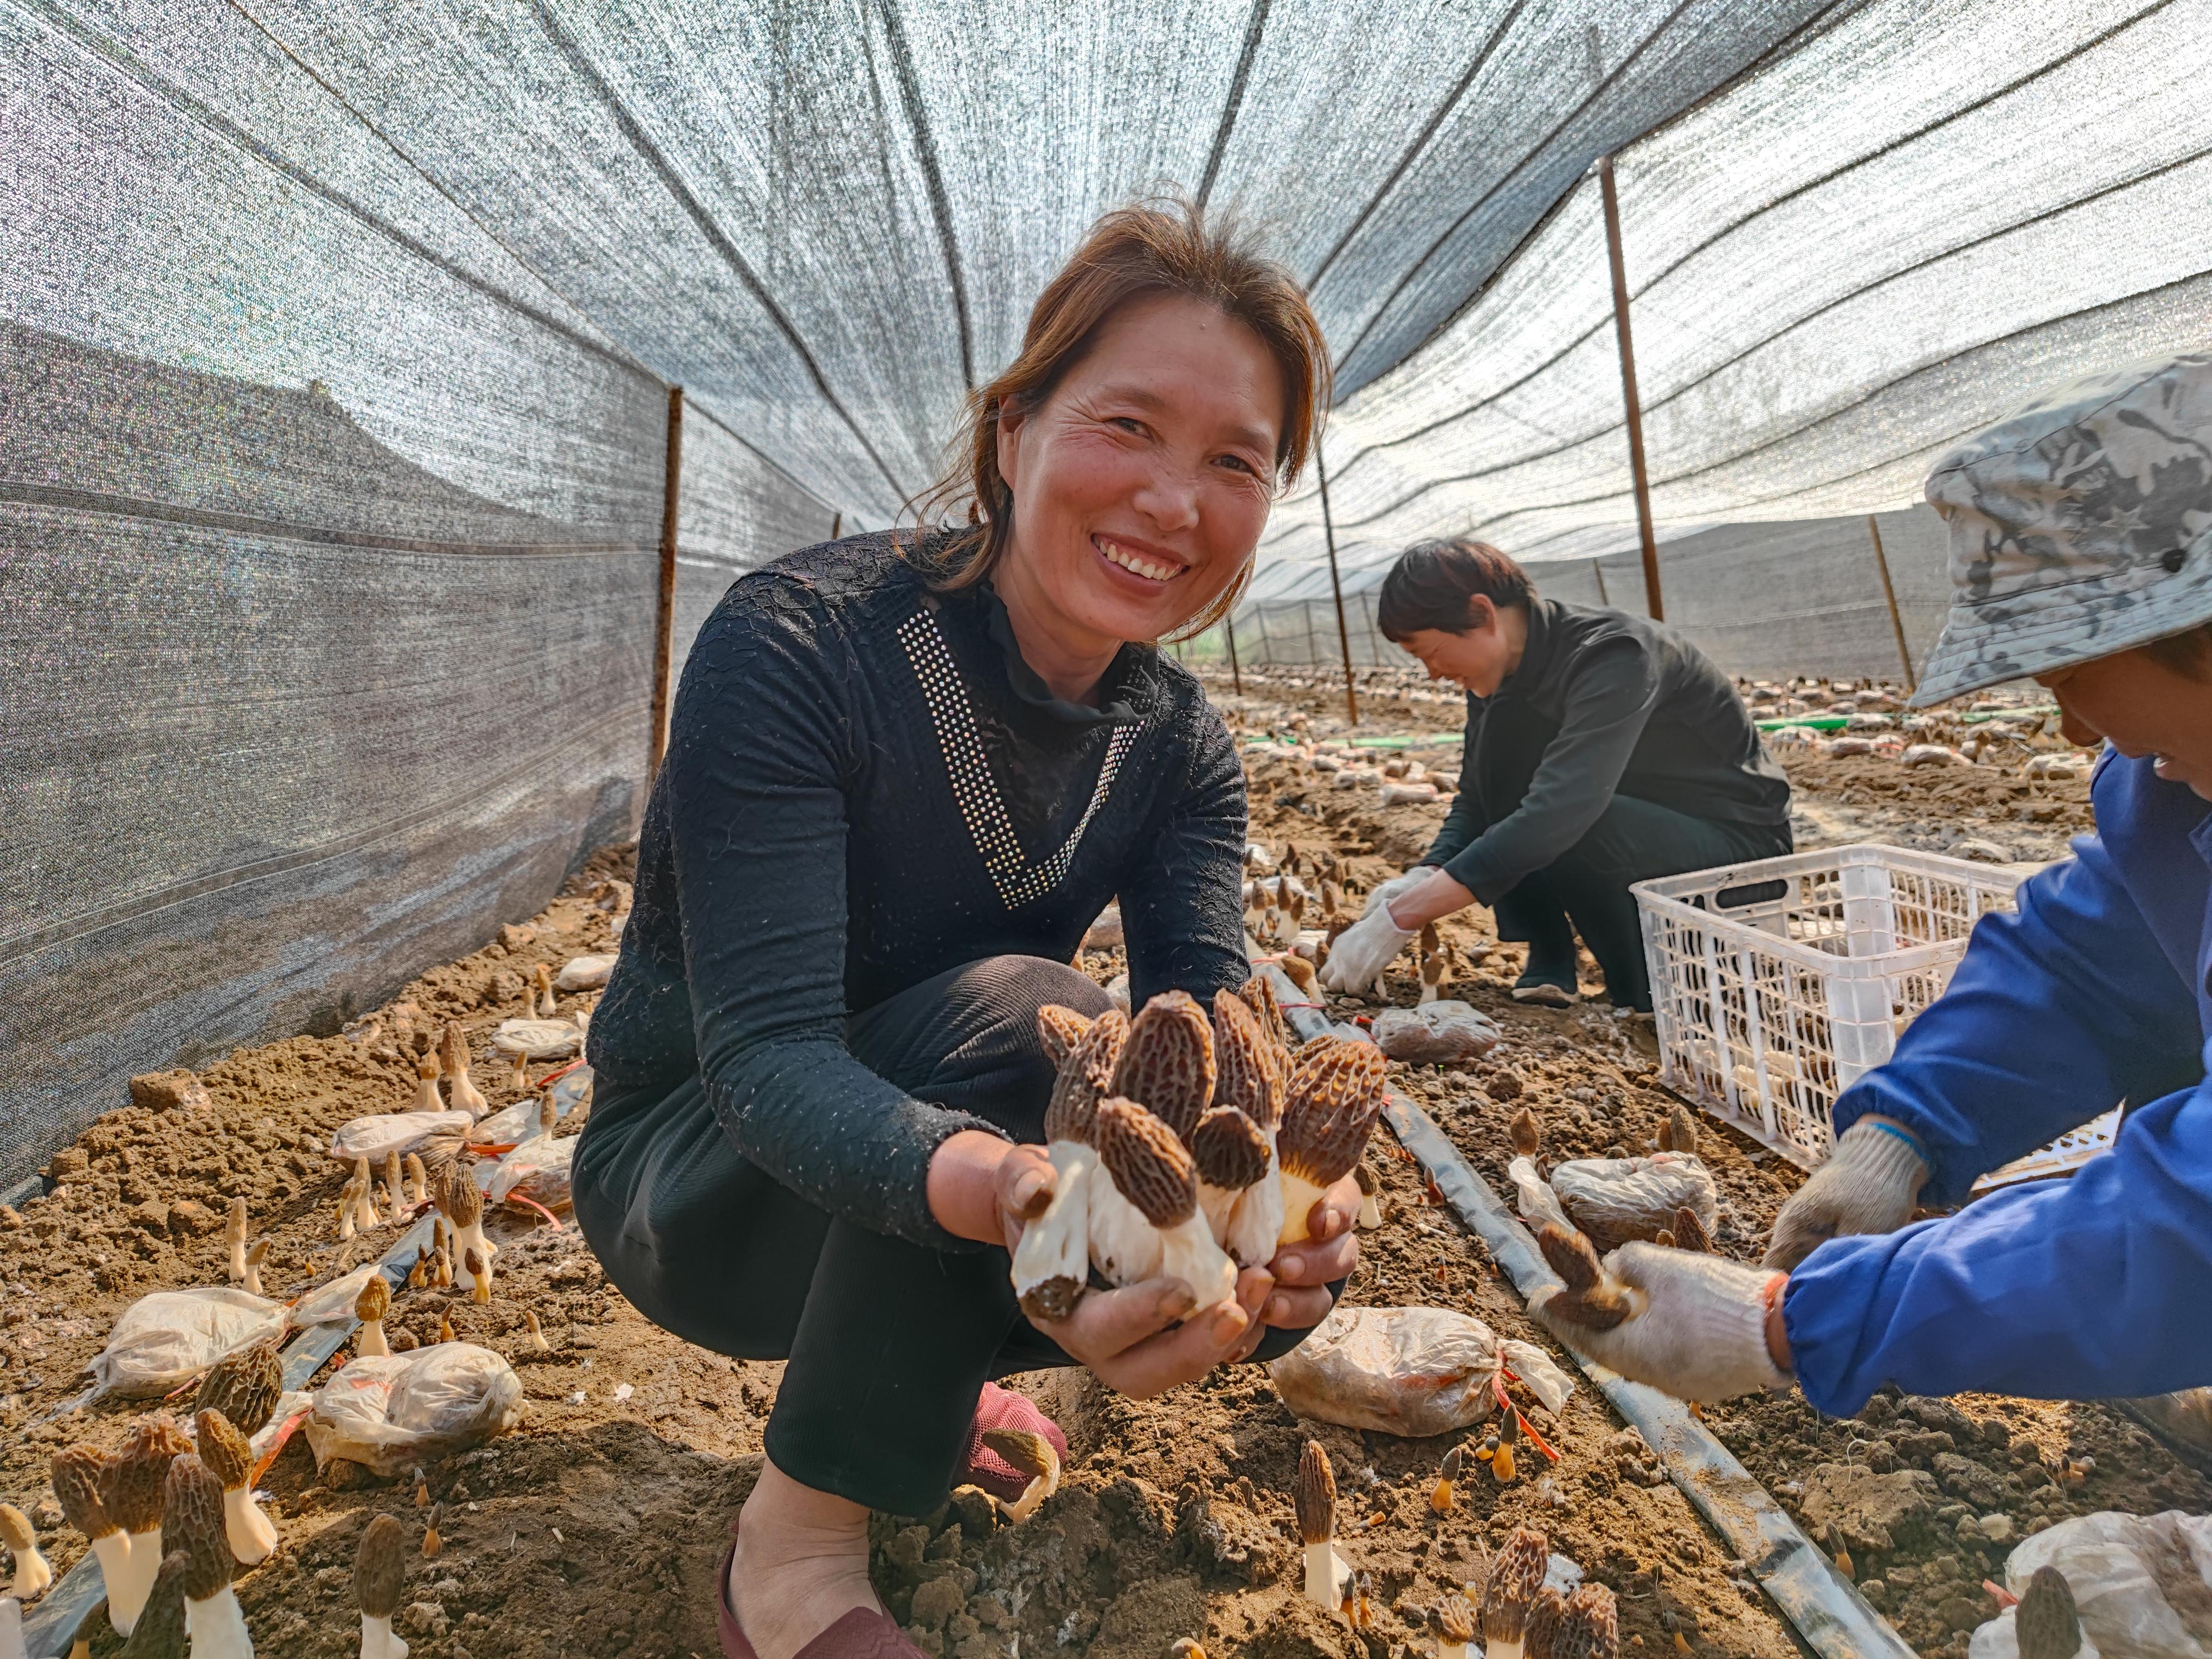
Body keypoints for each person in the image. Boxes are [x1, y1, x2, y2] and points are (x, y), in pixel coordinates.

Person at [575, 200, 1362, 1659]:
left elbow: (1214, 1049)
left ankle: (918, 1380)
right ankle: (795, 1547)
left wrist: (1276, 1233)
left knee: (1195, 1138)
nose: (1173, 502)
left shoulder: (1179, 747)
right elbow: (761, 1059)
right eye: (1128, 424)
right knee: (1036, 1021)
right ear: (1016, 431)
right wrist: (1013, 1192)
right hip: (697, 1178)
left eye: (1236, 460)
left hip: (936, 1181)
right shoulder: (805, 646)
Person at [1531, 352, 2212, 1413]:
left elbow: (2198, 1226)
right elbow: (2089, 962)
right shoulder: (2173, 792)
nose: (2075, 730)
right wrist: (1904, 1133)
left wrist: (1791, 1326)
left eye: (2074, 677)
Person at [1319, 539, 1792, 1011]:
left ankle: (1647, 993)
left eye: (1431, 653)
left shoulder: (1613, 654)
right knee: (1507, 764)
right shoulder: (1501, 676)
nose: (1433, 675)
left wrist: (1399, 919)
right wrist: (1426, 873)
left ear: (1482, 615)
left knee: (1569, 821)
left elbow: (1562, 812)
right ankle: (1550, 947)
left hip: (1733, 851)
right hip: (1638, 822)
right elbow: (1478, 798)